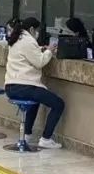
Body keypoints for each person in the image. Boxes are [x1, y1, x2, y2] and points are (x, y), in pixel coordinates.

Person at [4, 17, 64, 149]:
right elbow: (40, 62)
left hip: (11, 86)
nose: (37, 34)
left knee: (35, 100)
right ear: (31, 29)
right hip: (25, 86)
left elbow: (29, 53)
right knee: (58, 104)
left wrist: (41, 49)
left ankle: (26, 135)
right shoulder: (28, 40)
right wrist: (49, 51)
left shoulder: (17, 38)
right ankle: (46, 139)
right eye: (37, 31)